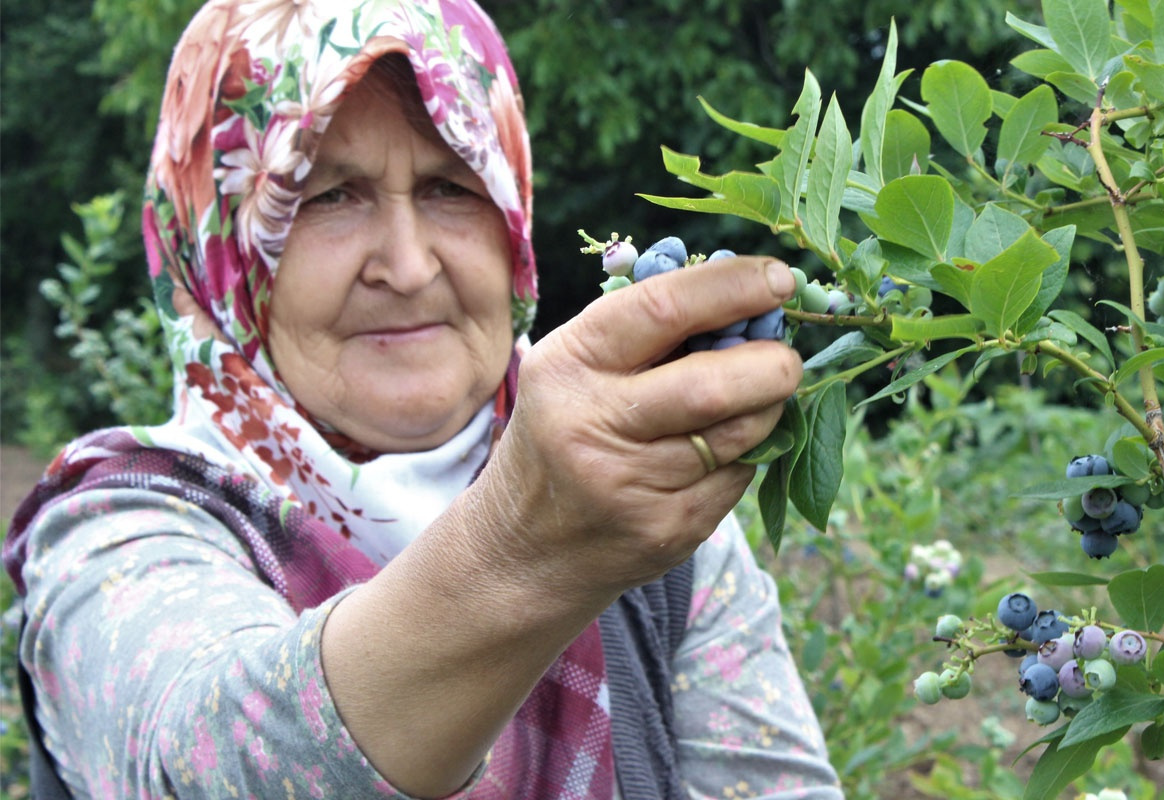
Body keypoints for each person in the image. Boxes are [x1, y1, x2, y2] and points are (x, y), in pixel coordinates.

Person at [4, 1, 841, 797]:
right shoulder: (118, 529)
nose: (406, 266)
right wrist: (529, 541)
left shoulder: (648, 517)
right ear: (222, 258)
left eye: (451, 187)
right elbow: (203, 766)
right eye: (327, 195)